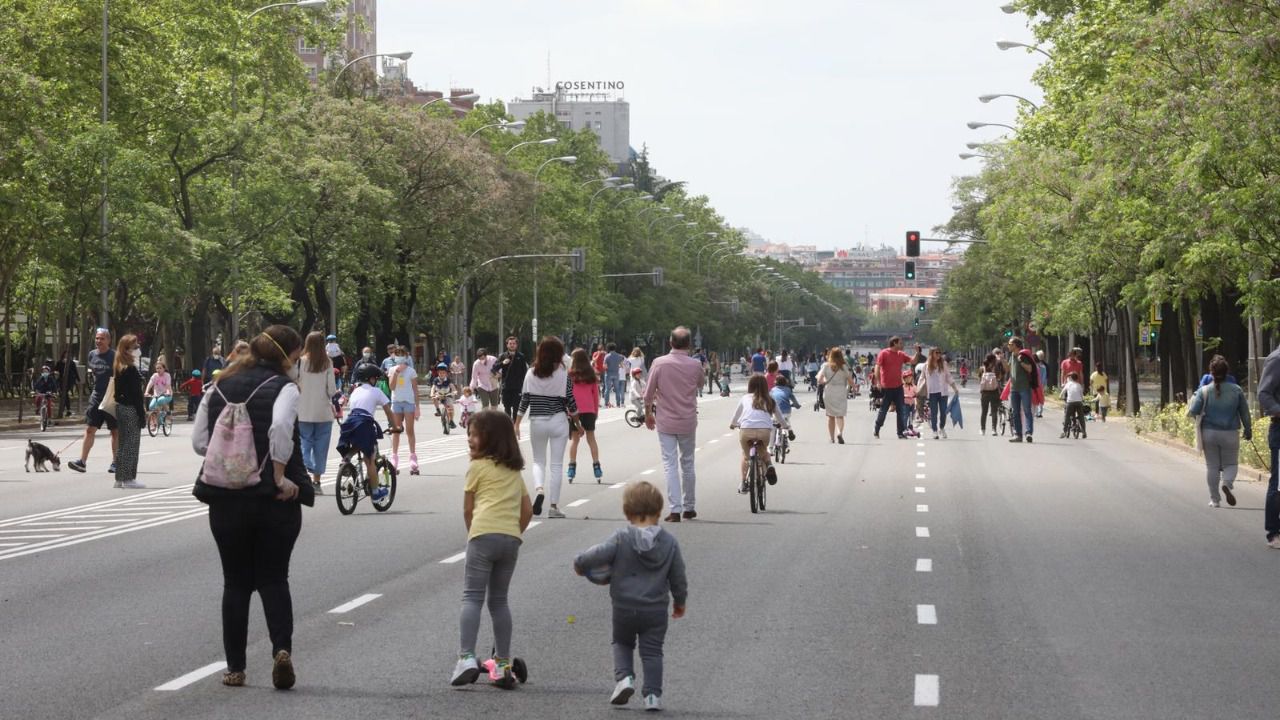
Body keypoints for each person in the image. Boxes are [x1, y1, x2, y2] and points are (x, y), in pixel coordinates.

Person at [191, 325, 313, 690]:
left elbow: (199, 442)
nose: (297, 363)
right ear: (286, 355)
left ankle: (235, 669)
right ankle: (281, 650)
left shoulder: (218, 385)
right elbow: (279, 429)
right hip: (272, 501)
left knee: (235, 582)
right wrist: (278, 476)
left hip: (225, 500)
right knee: (274, 578)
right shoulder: (285, 387)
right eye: (296, 357)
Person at [573, 481, 688, 711]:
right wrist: (680, 601)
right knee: (653, 652)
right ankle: (653, 696)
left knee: (622, 643)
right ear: (658, 511)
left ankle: (624, 678)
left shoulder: (621, 537)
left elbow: (597, 553)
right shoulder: (669, 543)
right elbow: (678, 576)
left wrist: (580, 562)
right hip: (655, 610)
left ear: (627, 513)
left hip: (624, 606)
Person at [449, 409, 533, 689]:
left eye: (474, 435)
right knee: (499, 601)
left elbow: (467, 509)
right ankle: (503, 663)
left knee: (472, 597)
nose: (469, 439)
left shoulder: (476, 468)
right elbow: (527, 510)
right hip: (510, 540)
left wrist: (474, 532)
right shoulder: (514, 472)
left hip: (482, 535)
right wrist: (513, 532)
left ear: (491, 439)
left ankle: (466, 658)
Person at [644, 327, 705, 522]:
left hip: (666, 421)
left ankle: (675, 510)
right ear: (689, 344)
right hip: (687, 420)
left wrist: (647, 414)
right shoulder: (695, 365)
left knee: (670, 464)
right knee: (688, 464)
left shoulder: (659, 363)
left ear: (671, 343)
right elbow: (701, 384)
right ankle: (689, 507)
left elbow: (647, 394)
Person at [515, 336, 578, 519]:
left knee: (538, 461)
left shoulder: (531, 372)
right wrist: (578, 423)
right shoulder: (563, 373)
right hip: (558, 420)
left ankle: (539, 489)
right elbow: (570, 402)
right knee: (557, 465)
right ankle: (553, 506)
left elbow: (524, 400)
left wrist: (517, 423)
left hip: (537, 421)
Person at [1190, 356, 1252, 509]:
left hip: (1209, 433)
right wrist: (1248, 429)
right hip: (1230, 433)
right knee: (1231, 464)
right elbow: (1244, 413)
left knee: (1212, 467)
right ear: (1227, 372)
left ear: (1211, 372)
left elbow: (1193, 411)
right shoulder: (1236, 390)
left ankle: (1215, 500)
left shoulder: (1204, 391)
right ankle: (1227, 483)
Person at [339, 364, 402, 498]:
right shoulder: (377, 391)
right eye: (375, 378)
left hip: (350, 423)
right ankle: (375, 493)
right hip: (364, 423)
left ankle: (347, 458)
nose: (376, 381)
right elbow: (388, 411)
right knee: (370, 461)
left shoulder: (355, 391)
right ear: (370, 379)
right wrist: (395, 426)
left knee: (358, 441)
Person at [67, 328, 119, 474]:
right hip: (96, 397)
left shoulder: (114, 356)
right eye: (97, 338)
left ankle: (115, 462)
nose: (98, 341)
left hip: (111, 398)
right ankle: (82, 462)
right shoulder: (92, 355)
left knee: (115, 431)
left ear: (108, 340)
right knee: (90, 429)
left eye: (102, 338)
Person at [296, 331, 337, 494]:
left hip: (303, 411)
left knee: (305, 441)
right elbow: (332, 390)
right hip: (323, 412)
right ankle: (317, 482)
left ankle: (306, 463)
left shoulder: (299, 362)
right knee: (321, 447)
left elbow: (293, 382)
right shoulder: (327, 362)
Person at [731, 374, 786, 491]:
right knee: (763, 450)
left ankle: (743, 483)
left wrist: (732, 424)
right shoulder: (770, 399)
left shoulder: (745, 398)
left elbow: (736, 415)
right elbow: (780, 417)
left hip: (746, 430)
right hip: (764, 432)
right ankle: (769, 465)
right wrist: (785, 426)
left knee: (746, 456)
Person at [110, 335, 146, 489]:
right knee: (131, 444)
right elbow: (137, 395)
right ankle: (128, 478)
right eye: (135, 346)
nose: (138, 349)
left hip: (121, 407)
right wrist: (142, 414)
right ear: (127, 350)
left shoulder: (119, 366)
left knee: (123, 444)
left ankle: (119, 478)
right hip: (131, 408)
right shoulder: (130, 369)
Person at [568, 348, 603, 482]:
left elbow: (567, 394)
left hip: (574, 410)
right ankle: (596, 465)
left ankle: (572, 467)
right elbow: (596, 396)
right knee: (591, 438)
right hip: (589, 410)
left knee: (575, 440)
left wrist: (567, 411)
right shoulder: (591, 375)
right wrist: (595, 412)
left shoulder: (570, 375)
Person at [389, 348, 422, 472]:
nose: (399, 357)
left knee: (409, 430)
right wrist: (396, 372)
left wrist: (417, 407)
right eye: (397, 355)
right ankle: (394, 458)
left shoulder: (411, 371)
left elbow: (415, 389)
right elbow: (391, 387)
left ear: (406, 356)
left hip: (408, 403)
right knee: (396, 431)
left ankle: (413, 458)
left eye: (402, 355)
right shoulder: (392, 369)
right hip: (396, 402)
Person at [873, 336, 912, 440]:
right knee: (884, 410)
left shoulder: (901, 354)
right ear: (894, 343)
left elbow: (912, 361)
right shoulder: (884, 353)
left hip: (898, 387)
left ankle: (900, 433)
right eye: (900, 343)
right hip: (886, 387)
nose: (902, 345)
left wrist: (918, 352)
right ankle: (877, 429)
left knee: (901, 410)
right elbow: (877, 367)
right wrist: (878, 382)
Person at [818, 347, 855, 444]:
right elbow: (850, 381)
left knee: (830, 416)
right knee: (840, 415)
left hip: (829, 391)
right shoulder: (844, 366)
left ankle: (832, 438)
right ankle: (839, 433)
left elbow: (819, 380)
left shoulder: (826, 366)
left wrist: (826, 381)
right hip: (841, 391)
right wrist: (854, 388)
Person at [1007, 337, 1038, 443]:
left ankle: (1028, 433)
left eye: (1010, 344)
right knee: (1015, 412)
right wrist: (1002, 360)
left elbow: (1030, 369)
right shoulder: (1011, 355)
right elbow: (1008, 369)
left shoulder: (1023, 355)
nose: (1008, 346)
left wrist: (1021, 361)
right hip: (1014, 388)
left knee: (1027, 411)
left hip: (1024, 387)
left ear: (1015, 345)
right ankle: (1018, 435)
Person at [924, 347, 958, 440]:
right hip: (932, 392)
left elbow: (948, 376)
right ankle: (934, 430)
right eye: (936, 353)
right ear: (932, 354)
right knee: (934, 412)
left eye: (940, 353)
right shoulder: (927, 365)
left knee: (943, 412)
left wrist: (954, 387)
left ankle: (942, 427)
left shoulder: (943, 363)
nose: (939, 354)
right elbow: (925, 377)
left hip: (943, 392)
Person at [495, 336, 529, 421]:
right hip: (506, 387)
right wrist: (502, 363)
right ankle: (508, 426)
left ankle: (514, 427)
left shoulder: (521, 356)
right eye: (510, 343)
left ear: (516, 345)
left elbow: (524, 372)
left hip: (517, 387)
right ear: (507, 345)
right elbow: (494, 368)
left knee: (516, 408)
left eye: (514, 343)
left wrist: (525, 386)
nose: (512, 345)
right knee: (507, 408)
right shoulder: (502, 356)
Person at [143, 358, 173, 427]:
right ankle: (155, 423)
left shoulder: (167, 375)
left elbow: (168, 386)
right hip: (156, 395)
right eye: (157, 368)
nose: (158, 370)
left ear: (164, 369)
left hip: (167, 395)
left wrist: (168, 392)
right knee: (151, 407)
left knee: (160, 401)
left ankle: (168, 413)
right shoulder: (154, 376)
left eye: (160, 368)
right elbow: (149, 384)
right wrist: (146, 392)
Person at [769, 373, 801, 439]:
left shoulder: (772, 390)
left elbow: (768, 401)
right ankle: (790, 430)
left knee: (774, 425)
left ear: (775, 382)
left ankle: (771, 447)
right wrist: (797, 406)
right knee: (786, 419)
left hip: (775, 412)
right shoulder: (788, 390)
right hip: (787, 411)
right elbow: (794, 400)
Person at [979, 353, 1004, 436]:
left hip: (984, 393)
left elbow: (980, 379)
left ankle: (983, 429)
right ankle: (994, 429)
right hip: (994, 392)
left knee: (984, 412)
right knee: (994, 411)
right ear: (994, 360)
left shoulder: (982, 368)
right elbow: (1000, 377)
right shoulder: (996, 368)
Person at [429, 361, 458, 432]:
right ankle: (438, 410)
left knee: (450, 407)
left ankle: (451, 421)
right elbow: (433, 387)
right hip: (439, 394)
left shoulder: (448, 380)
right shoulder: (436, 380)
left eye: (443, 373)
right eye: (440, 373)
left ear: (446, 373)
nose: (441, 374)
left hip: (447, 395)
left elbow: (452, 386)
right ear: (438, 373)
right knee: (434, 397)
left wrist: (454, 391)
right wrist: (432, 394)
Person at [1060, 372, 1088, 439]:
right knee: (1081, 417)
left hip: (1070, 402)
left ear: (1071, 378)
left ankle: (1064, 431)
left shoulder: (1068, 384)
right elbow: (1081, 395)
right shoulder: (1079, 385)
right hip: (1079, 403)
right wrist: (1082, 400)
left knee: (1067, 416)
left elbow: (1063, 392)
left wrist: (1060, 396)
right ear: (1077, 378)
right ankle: (1084, 432)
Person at [57, 350, 80, 418]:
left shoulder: (71, 362)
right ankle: (67, 410)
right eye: (66, 354)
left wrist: (78, 379)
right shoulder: (60, 362)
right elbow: (56, 369)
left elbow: (75, 371)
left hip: (70, 380)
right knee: (63, 394)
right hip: (61, 380)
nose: (67, 355)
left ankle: (65, 409)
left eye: (68, 354)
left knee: (65, 393)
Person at [603, 343, 625, 408]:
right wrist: (616, 366)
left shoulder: (607, 356)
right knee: (617, 389)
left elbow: (605, 366)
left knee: (607, 389)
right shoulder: (619, 356)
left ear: (608, 348)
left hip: (609, 374)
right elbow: (621, 365)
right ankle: (618, 404)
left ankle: (606, 404)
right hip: (616, 374)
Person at [1034, 349, 1048, 418]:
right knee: (1041, 398)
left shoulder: (1039, 366)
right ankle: (1039, 412)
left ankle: (1037, 412)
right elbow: (1045, 377)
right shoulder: (1044, 366)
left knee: (1036, 398)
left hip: (1037, 384)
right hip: (1041, 384)